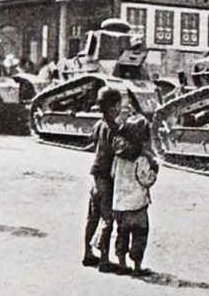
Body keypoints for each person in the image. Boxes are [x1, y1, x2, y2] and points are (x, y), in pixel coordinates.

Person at [111, 109, 158, 276]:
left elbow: (112, 174)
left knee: (122, 234)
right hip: (138, 205)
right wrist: (154, 170)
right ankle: (137, 267)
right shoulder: (142, 159)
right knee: (139, 236)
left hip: (120, 205)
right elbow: (146, 180)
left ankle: (122, 264)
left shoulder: (118, 156)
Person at [83, 87, 122, 272]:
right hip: (106, 177)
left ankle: (87, 253)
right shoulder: (114, 128)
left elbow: (92, 142)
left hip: (95, 176)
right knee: (107, 219)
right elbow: (120, 151)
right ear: (114, 108)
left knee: (92, 217)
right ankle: (104, 260)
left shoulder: (98, 124)